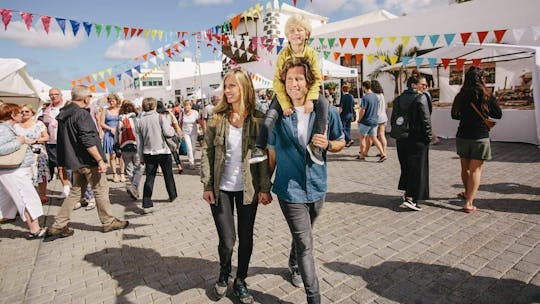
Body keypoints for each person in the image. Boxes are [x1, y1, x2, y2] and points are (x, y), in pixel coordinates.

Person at [268, 58, 345, 304]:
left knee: (304, 234)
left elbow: (341, 142)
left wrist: (329, 145)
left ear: (309, 82)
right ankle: (314, 298)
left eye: (298, 78)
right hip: (289, 190)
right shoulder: (278, 114)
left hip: (317, 186)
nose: (294, 83)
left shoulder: (327, 112)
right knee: (306, 243)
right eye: (289, 79)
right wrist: (262, 187)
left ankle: (293, 261)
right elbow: (271, 153)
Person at [201, 68, 272, 304]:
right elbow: (207, 152)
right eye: (226, 85)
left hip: (248, 188)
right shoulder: (216, 117)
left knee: (246, 237)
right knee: (228, 239)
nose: (228, 90)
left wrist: (265, 188)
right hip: (221, 188)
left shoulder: (258, 119)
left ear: (244, 88)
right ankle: (224, 271)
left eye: (232, 86)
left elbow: (263, 156)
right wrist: (207, 184)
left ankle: (241, 279)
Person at [46, 85, 129, 240]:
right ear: (85, 98)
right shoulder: (81, 114)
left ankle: (58, 224)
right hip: (88, 160)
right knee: (100, 190)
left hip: (75, 160)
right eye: (89, 98)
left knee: (75, 192)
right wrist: (99, 159)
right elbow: (87, 139)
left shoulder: (64, 113)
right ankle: (108, 221)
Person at [251, 14, 327, 166]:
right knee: (271, 114)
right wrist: (285, 104)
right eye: (291, 30)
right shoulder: (283, 54)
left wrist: (311, 99)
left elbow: (317, 78)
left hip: (308, 91)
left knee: (323, 104)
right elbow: (278, 81)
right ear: (287, 35)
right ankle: (259, 147)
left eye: (300, 30)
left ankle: (316, 146)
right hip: (284, 93)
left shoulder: (311, 54)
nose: (295, 33)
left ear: (307, 34)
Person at [451, 67, 502, 213]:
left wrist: (466, 117)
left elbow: (454, 115)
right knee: (475, 170)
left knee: (465, 169)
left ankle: (467, 193)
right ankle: (468, 202)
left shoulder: (460, 95)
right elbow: (498, 115)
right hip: (480, 136)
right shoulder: (487, 95)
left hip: (462, 135)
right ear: (481, 79)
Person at [0, 102, 47, 239]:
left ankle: (35, 228)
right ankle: (35, 230)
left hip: (15, 170)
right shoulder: (3, 129)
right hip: (13, 171)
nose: (22, 114)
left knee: (19, 198)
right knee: (25, 198)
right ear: (13, 115)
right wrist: (19, 141)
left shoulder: (8, 128)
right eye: (20, 112)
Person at [392, 76, 432, 211]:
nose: (425, 88)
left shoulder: (398, 99)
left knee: (407, 167)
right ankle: (412, 198)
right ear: (414, 85)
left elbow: (394, 119)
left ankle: (406, 193)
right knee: (418, 169)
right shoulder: (421, 98)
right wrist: (428, 137)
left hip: (402, 138)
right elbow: (426, 121)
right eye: (423, 85)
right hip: (417, 138)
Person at [138, 97, 178, 214]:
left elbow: (139, 142)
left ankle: (146, 202)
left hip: (148, 152)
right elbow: (169, 132)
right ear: (154, 106)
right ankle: (172, 195)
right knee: (168, 174)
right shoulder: (161, 117)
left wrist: (140, 157)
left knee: (150, 177)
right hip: (163, 150)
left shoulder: (140, 121)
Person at [14, 104, 50, 204]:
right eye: (22, 112)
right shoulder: (16, 125)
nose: (24, 113)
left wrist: (35, 141)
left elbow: (46, 137)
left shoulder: (39, 124)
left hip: (38, 152)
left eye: (27, 111)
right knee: (24, 174)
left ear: (32, 113)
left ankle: (42, 195)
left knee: (41, 174)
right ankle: (26, 195)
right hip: (21, 153)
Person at [42, 87, 70, 197]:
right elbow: (45, 126)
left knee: (70, 166)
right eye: (51, 95)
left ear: (61, 95)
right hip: (53, 141)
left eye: (55, 94)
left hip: (67, 140)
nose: (53, 96)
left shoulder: (67, 107)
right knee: (60, 166)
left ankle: (76, 189)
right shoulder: (47, 111)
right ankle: (66, 188)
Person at [116, 100, 143, 200]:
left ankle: (134, 189)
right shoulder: (137, 120)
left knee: (129, 169)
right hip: (136, 147)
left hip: (124, 148)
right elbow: (140, 134)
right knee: (139, 168)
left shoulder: (119, 120)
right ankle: (134, 187)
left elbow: (116, 135)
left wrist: (117, 147)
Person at [356, 81, 386, 162]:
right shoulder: (375, 97)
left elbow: (363, 110)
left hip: (366, 121)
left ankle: (362, 155)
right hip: (374, 121)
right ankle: (383, 154)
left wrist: (359, 119)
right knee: (374, 138)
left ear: (364, 87)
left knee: (362, 138)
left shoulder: (365, 97)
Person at [100, 93, 125, 183]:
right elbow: (102, 123)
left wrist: (120, 129)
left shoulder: (121, 110)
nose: (111, 103)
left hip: (120, 134)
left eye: (113, 101)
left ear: (117, 101)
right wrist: (110, 129)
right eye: (109, 101)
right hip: (109, 135)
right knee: (112, 155)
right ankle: (114, 174)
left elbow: (125, 121)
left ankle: (122, 173)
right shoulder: (105, 111)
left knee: (121, 155)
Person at [156, 100, 183, 174]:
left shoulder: (156, 115)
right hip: (170, 133)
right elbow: (175, 123)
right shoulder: (169, 113)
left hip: (160, 135)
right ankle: (179, 166)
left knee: (160, 152)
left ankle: (159, 168)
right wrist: (179, 133)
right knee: (174, 150)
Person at [179, 99, 200, 170]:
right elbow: (180, 122)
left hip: (194, 131)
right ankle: (191, 163)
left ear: (191, 106)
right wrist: (180, 132)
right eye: (185, 105)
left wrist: (200, 129)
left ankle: (192, 159)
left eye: (188, 105)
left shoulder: (195, 112)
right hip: (185, 132)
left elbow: (199, 121)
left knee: (193, 148)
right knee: (189, 147)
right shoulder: (182, 113)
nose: (186, 107)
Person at [371, 79, 388, 156]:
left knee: (373, 136)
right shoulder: (381, 95)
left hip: (376, 118)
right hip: (383, 117)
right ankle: (384, 151)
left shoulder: (374, 96)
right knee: (382, 135)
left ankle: (382, 152)